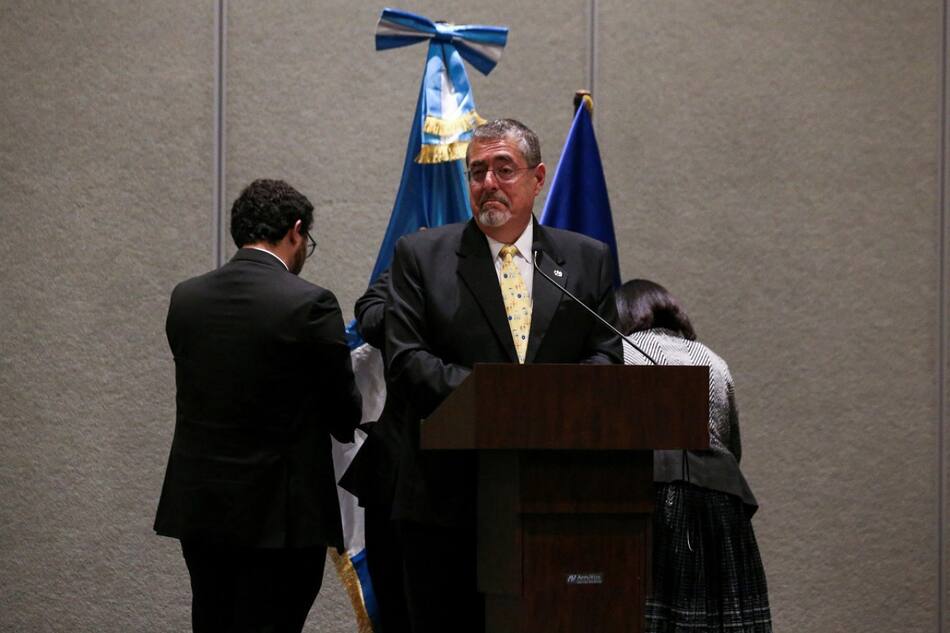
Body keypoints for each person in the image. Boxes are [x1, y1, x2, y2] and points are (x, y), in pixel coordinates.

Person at [385, 119, 622, 633]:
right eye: (477, 172)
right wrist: (504, 402)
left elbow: (605, 358)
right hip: (444, 507)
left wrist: (539, 407)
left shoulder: (586, 260)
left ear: (538, 179)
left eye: (503, 169)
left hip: (553, 499)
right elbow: (406, 362)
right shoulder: (422, 257)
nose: (487, 182)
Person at [154, 179, 363, 633]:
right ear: (296, 231)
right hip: (281, 520)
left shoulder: (186, 299)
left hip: (203, 513)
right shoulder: (310, 303)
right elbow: (343, 415)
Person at [615, 279, 773, 633]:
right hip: (724, 509)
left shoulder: (620, 353)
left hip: (654, 503)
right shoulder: (714, 361)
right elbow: (734, 448)